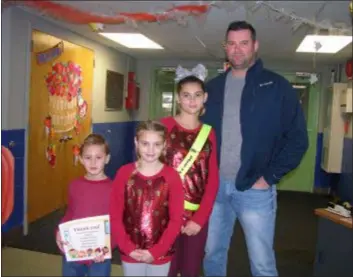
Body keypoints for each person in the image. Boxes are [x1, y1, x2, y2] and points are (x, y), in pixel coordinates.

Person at [202, 21, 309, 276]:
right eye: (231, 43)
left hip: (255, 190)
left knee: (261, 262)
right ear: (225, 47)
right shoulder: (212, 88)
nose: (237, 49)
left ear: (255, 45)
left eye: (243, 43)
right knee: (212, 254)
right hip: (215, 189)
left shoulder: (277, 87)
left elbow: (298, 139)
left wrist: (269, 177)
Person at [160, 64, 219, 277]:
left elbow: (212, 180)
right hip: (165, 213)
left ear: (205, 97)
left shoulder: (209, 133)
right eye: (186, 95)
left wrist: (200, 218)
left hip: (196, 215)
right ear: (178, 98)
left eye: (197, 95)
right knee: (166, 267)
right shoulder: (163, 126)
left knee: (191, 270)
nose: (192, 100)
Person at [110, 120, 184, 277]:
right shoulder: (124, 173)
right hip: (130, 252)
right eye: (145, 143)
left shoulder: (172, 176)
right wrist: (128, 248)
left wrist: (157, 251)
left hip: (160, 253)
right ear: (136, 142)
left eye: (157, 144)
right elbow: (115, 216)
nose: (151, 150)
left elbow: (176, 220)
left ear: (164, 145)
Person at [56, 134, 113, 276]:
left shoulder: (114, 188)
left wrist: (108, 247)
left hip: (100, 257)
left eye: (98, 157)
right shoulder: (74, 185)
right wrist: (60, 231)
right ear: (81, 159)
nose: (93, 163)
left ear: (107, 158)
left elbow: (118, 223)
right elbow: (70, 213)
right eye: (88, 158)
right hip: (74, 253)